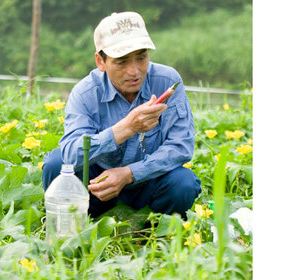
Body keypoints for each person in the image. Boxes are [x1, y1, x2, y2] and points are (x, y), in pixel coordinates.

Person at [42, 11, 201, 219]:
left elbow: (181, 146)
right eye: (122, 61)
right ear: (101, 61)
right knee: (56, 164)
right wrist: (126, 128)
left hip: (148, 184)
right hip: (97, 189)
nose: (134, 71)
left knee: (184, 183)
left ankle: (153, 228)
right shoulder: (85, 93)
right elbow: (71, 153)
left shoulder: (166, 81)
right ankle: (74, 223)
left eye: (141, 57)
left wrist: (129, 174)